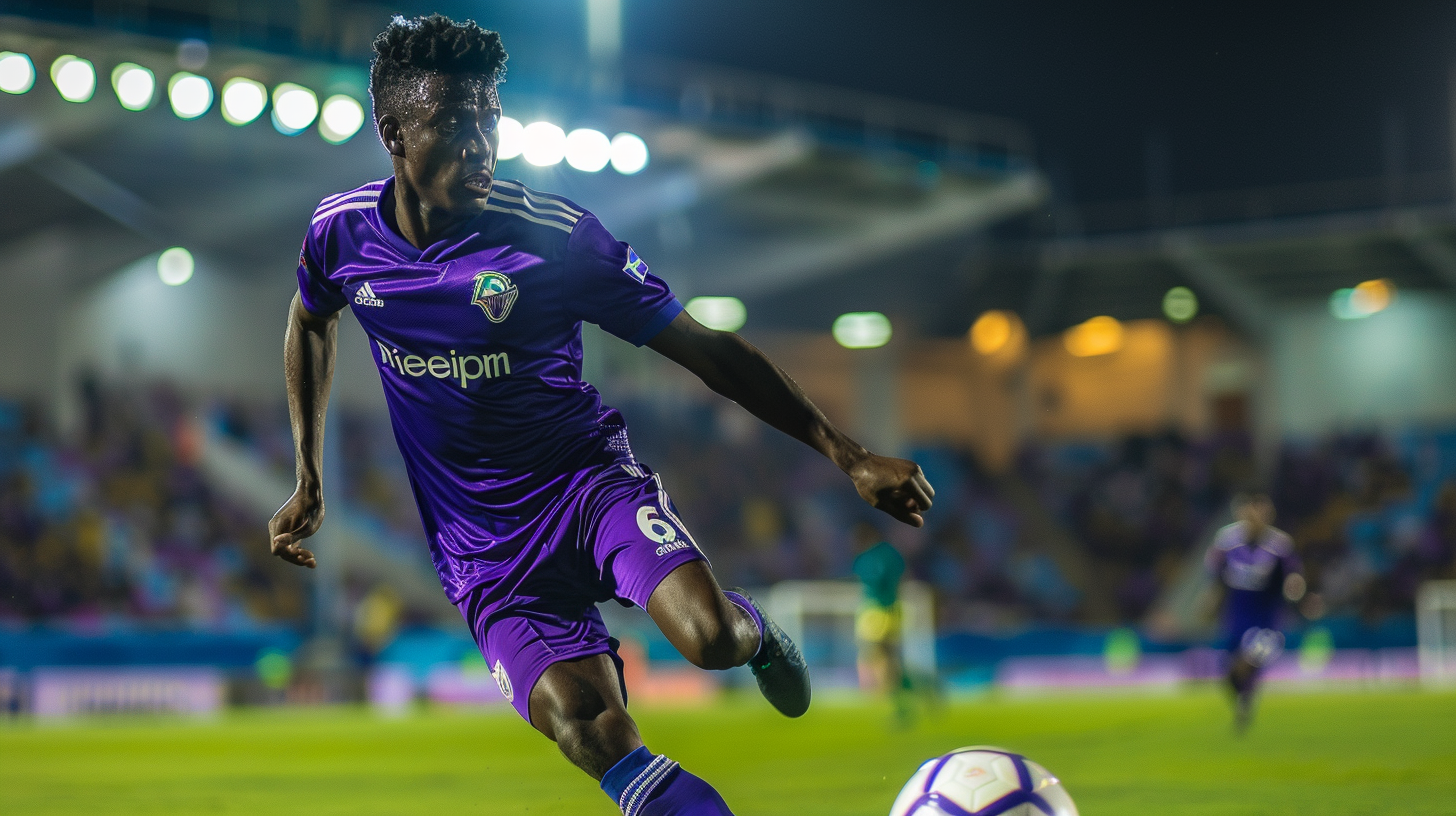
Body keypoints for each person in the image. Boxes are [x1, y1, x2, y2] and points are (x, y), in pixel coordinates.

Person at [266, 15, 934, 816]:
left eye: (489, 116)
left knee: (709, 640)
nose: (481, 143)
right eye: (453, 122)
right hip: (482, 552)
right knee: (590, 731)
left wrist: (845, 450)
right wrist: (306, 472)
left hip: (587, 492)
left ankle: (754, 630)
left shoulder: (556, 240)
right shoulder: (340, 233)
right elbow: (309, 320)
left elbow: (703, 348)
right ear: (394, 132)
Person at [1203, 489, 1305, 732]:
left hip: (1267, 619)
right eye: (1249, 510)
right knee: (1230, 674)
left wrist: (1295, 589)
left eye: (1260, 510)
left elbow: (1294, 575)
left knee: (1247, 662)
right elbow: (1217, 577)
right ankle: (1244, 701)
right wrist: (1210, 601)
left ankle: (1245, 699)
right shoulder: (1226, 541)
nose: (1254, 516)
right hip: (1236, 616)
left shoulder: (1280, 545)